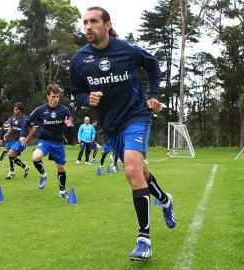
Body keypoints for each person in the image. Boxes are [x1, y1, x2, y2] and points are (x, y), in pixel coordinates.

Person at [69, 6, 176, 261]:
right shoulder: (79, 60)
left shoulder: (127, 50)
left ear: (107, 25)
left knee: (130, 170)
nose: (87, 27)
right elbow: (77, 92)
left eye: (93, 21)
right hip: (110, 126)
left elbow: (153, 67)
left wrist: (153, 96)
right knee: (140, 171)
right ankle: (165, 199)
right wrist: (88, 98)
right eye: (85, 22)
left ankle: (143, 239)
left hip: (137, 116)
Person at [19, 84, 73, 198]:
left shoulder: (64, 110)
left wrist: (69, 125)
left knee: (61, 168)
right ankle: (43, 174)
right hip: (45, 141)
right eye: (53, 96)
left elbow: (70, 125)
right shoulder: (40, 110)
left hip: (58, 143)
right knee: (35, 157)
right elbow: (26, 121)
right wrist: (22, 135)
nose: (56, 99)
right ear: (48, 96)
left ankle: (62, 192)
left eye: (57, 96)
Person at [4, 102, 32, 180]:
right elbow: (11, 127)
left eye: (16, 109)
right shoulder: (13, 118)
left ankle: (12, 172)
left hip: (21, 141)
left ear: (20, 110)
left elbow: (33, 129)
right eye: (14, 109)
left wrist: (26, 139)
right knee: (14, 158)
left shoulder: (25, 119)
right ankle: (25, 168)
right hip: (14, 140)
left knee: (10, 154)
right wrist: (7, 134)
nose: (14, 110)